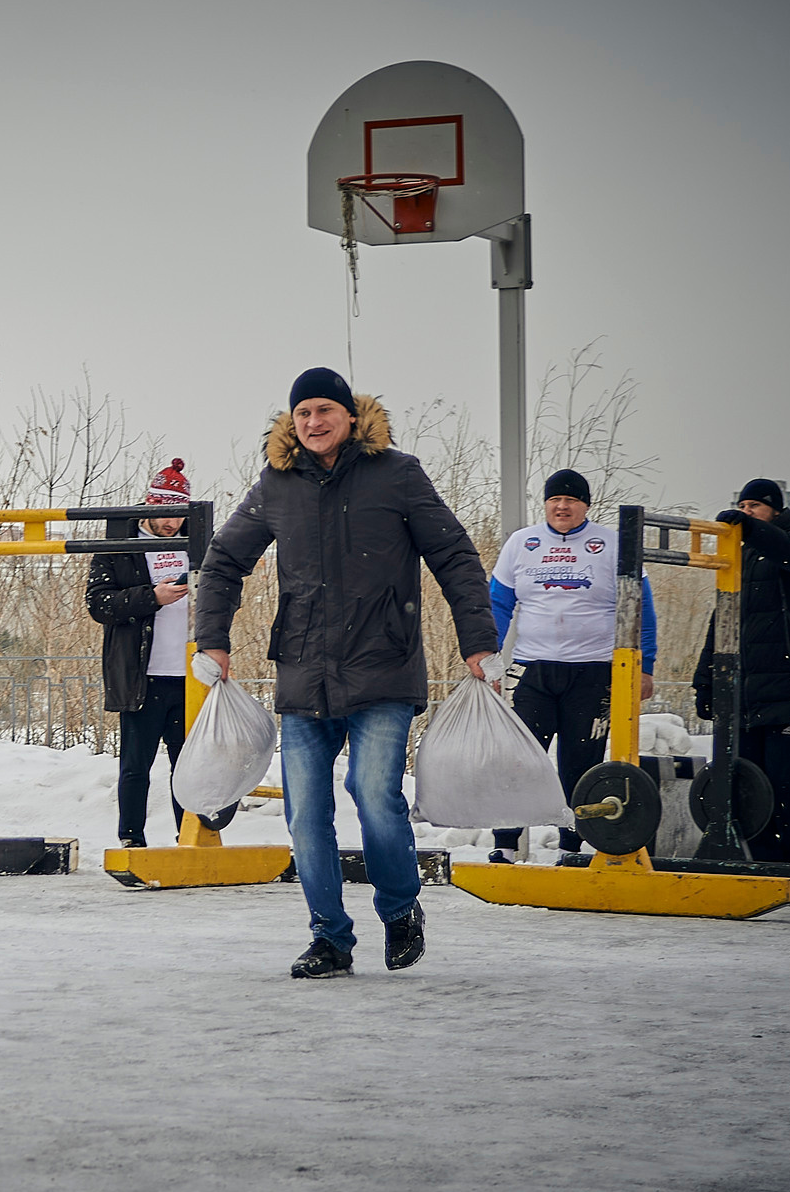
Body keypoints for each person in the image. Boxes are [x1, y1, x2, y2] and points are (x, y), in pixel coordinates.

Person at [194, 367, 498, 980]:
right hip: (304, 672)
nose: (313, 422)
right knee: (305, 812)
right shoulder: (277, 485)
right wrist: (213, 638)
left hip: (383, 666)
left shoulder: (398, 475)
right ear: (292, 422)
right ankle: (330, 937)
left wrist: (478, 641)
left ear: (350, 417)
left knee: (373, 794)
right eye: (302, 413)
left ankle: (398, 907)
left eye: (324, 411)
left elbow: (455, 555)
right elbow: (224, 559)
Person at [484, 469, 657, 862]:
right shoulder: (521, 543)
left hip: (592, 673)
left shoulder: (612, 543)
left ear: (586, 506)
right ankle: (506, 845)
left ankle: (571, 848)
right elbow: (498, 604)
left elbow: (642, 606)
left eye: (571, 500)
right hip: (532, 671)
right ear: (545, 504)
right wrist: (490, 658)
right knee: (520, 759)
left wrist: (645, 665)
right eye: (555, 500)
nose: (562, 507)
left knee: (580, 765)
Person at [689, 478, 790, 863]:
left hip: (787, 690)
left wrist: (751, 529)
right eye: (743, 507)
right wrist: (705, 681)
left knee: (783, 786)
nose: (747, 513)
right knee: (747, 786)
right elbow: (722, 622)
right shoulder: (741, 557)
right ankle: (758, 860)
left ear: (775, 511)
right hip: (743, 695)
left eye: (755, 507)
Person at [86, 459, 197, 849]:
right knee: (136, 767)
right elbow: (98, 604)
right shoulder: (120, 547)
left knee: (189, 768)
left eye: (179, 516)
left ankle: (191, 836)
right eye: (164, 515)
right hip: (140, 676)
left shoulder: (195, 544)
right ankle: (131, 839)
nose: (172, 524)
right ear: (148, 507)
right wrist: (152, 597)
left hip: (189, 678)